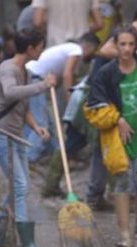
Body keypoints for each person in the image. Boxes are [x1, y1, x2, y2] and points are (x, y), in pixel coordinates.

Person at [0, 29, 56, 247]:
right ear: (30, 48)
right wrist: (43, 86)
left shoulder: (23, 71)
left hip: (16, 136)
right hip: (0, 135)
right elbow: (10, 93)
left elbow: (20, 105)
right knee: (20, 185)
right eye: (40, 46)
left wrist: (36, 127)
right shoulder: (8, 69)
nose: (42, 50)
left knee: (21, 187)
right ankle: (27, 244)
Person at [86, 25, 137, 247]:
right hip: (118, 136)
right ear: (115, 46)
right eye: (122, 44)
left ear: (136, 45)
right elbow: (94, 103)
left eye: (131, 44)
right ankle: (125, 234)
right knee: (121, 180)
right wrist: (118, 119)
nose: (126, 49)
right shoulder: (105, 73)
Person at [25, 32, 101, 164]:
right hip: (34, 78)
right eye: (94, 50)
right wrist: (71, 101)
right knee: (40, 123)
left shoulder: (69, 49)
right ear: (89, 46)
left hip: (33, 77)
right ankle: (28, 159)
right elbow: (67, 75)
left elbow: (70, 77)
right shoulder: (76, 50)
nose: (93, 54)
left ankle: (57, 157)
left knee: (50, 125)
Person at [32, 0, 103, 47]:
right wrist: (86, 28)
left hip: (55, 42)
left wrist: (48, 30)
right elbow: (99, 24)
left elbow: (38, 22)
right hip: (82, 44)